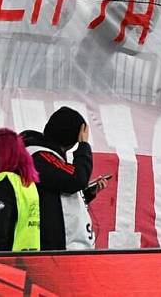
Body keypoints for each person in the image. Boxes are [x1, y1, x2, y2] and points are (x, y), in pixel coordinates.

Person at [21, 107, 104, 250]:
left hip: (52, 245)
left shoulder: (42, 157)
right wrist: (83, 146)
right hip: (49, 248)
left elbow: (57, 195)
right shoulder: (39, 155)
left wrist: (87, 193)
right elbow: (76, 179)